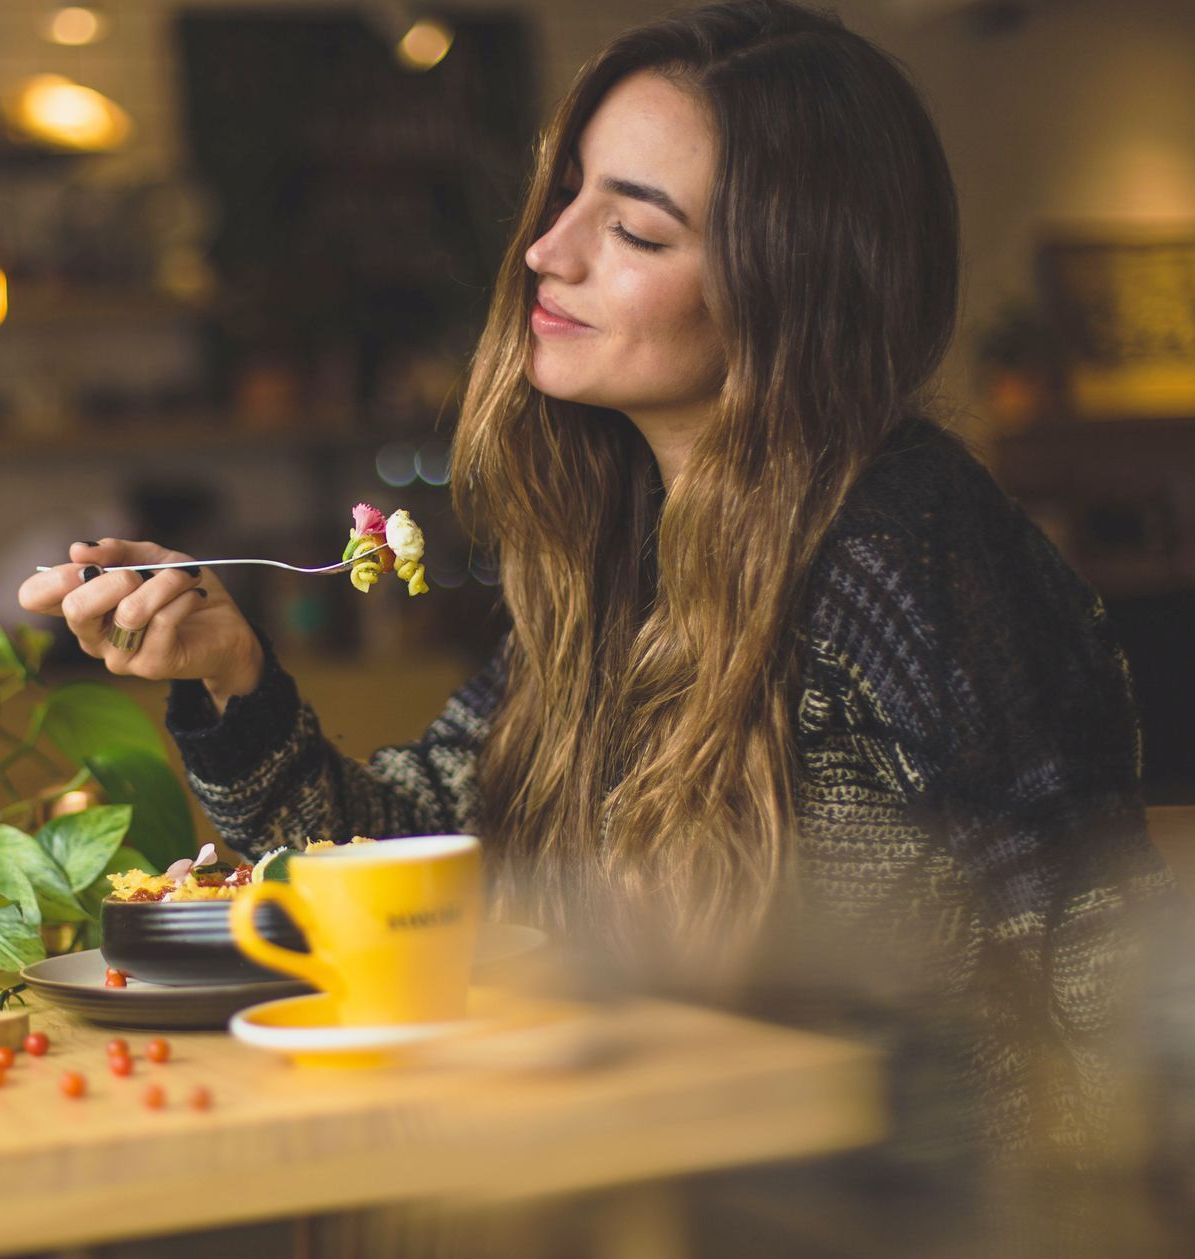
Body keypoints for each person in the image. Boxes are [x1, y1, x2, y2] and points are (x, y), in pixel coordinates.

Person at [18, 0, 1175, 1167]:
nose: (545, 249)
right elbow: (419, 864)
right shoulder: (628, 553)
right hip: (660, 1175)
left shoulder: (902, 552)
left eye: (637, 230)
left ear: (792, 288)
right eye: (567, 191)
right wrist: (234, 675)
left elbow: (1096, 977)